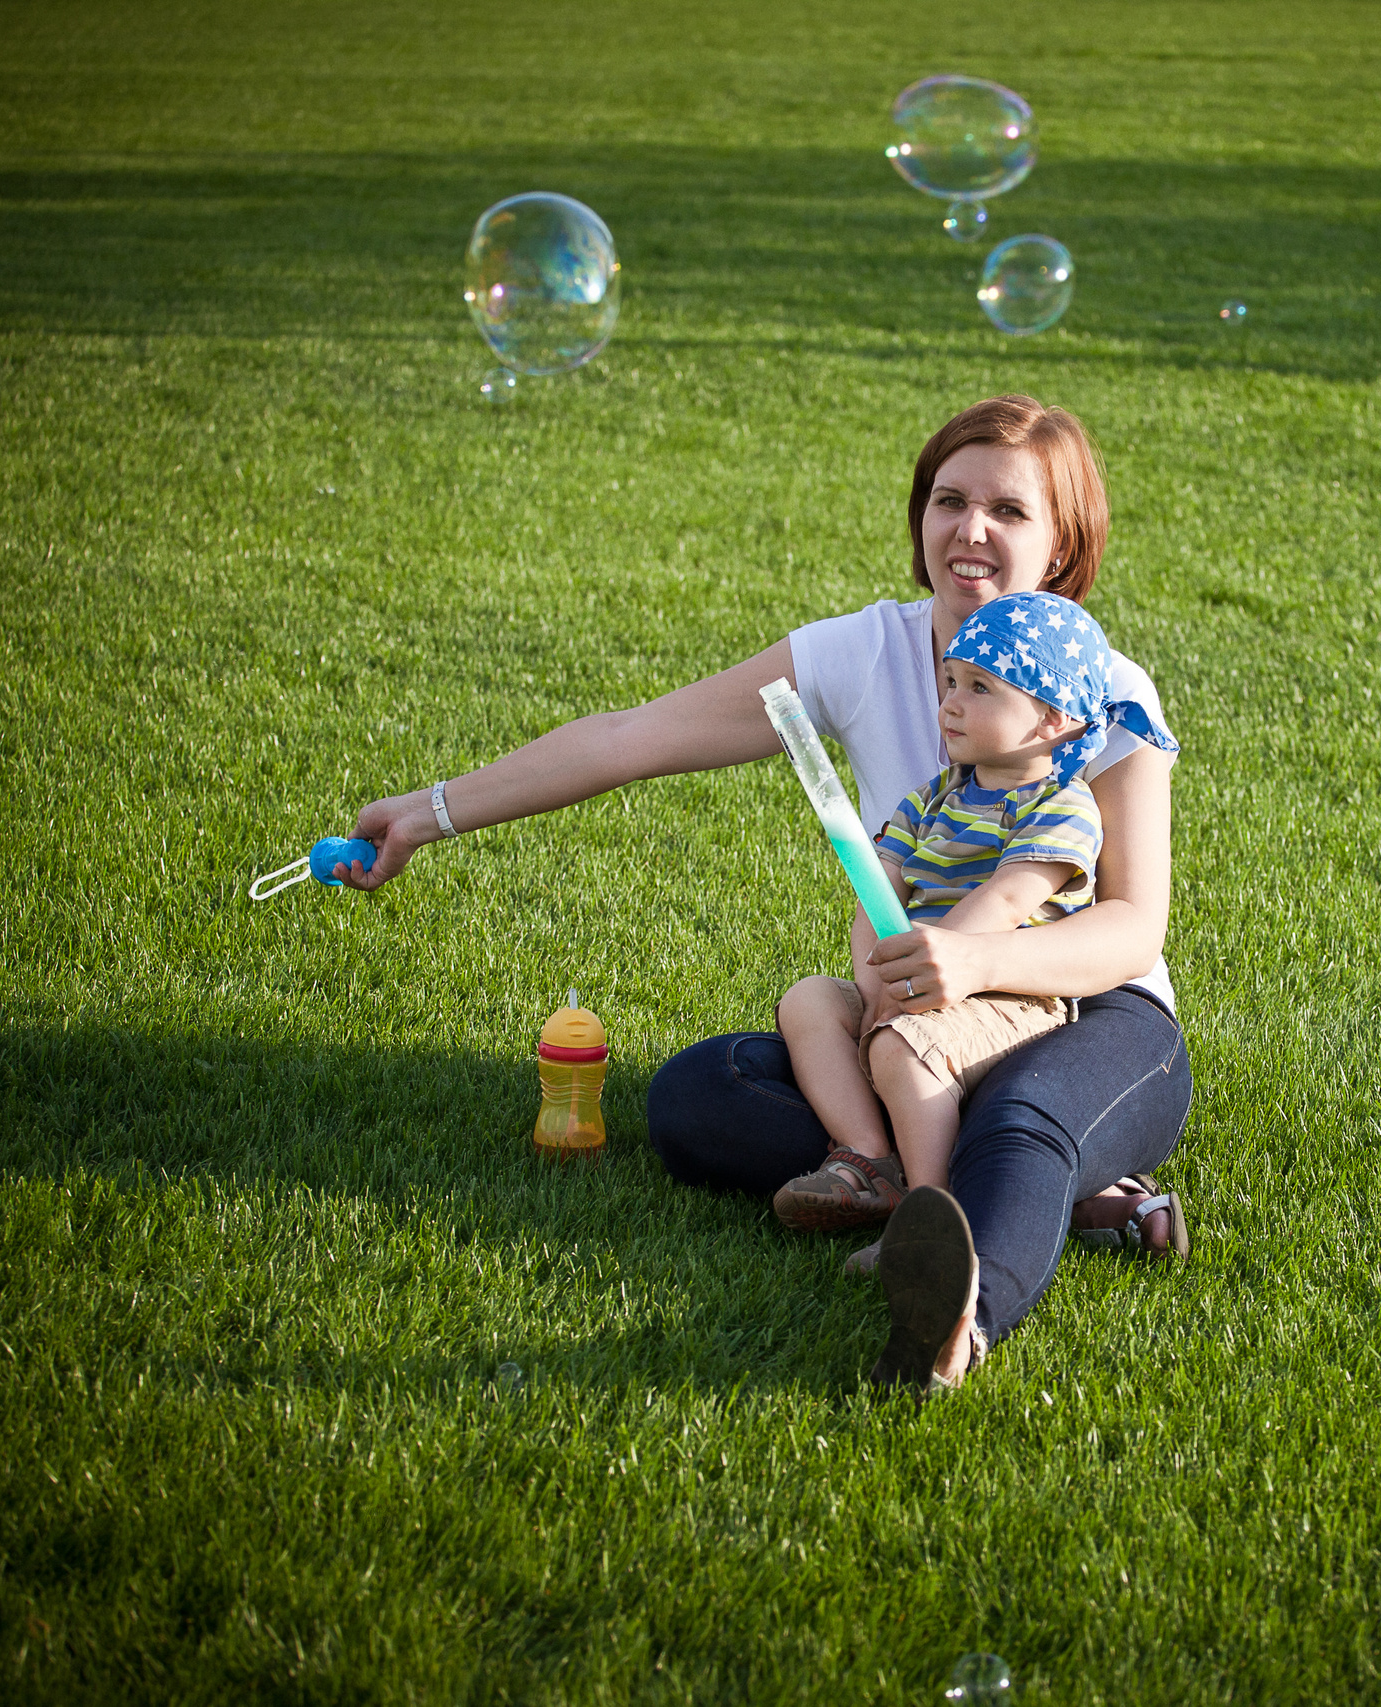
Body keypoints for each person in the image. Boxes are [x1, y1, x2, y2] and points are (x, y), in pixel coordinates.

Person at [338, 395, 1190, 1393]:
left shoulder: (1100, 690)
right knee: (702, 1096)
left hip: (1087, 1009)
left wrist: (979, 958)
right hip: (908, 1011)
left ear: (1060, 546)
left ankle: (956, 1323)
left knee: (1020, 1121)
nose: (969, 530)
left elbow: (1131, 926)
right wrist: (426, 812)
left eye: (1009, 511)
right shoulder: (859, 653)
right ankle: (1023, 1184)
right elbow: (631, 738)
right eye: (947, 500)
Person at [772, 590, 1175, 1225]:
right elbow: (879, 884)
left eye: (980, 688)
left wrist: (935, 965)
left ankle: (930, 1214)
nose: (950, 702)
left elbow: (1011, 896)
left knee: (904, 1048)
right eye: (950, 681)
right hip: (914, 981)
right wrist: (874, 974)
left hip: (1008, 1001)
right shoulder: (933, 798)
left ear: (1051, 719)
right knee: (809, 1002)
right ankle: (869, 1158)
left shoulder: (1062, 805)